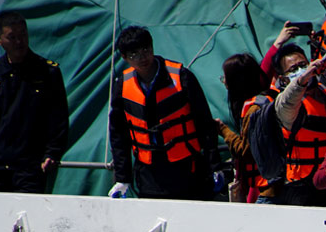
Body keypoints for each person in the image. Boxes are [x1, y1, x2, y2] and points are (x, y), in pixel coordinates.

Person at [108, 26, 221, 200]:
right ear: (124, 57)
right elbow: (118, 134)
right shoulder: (122, 85)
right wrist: (123, 178)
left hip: (188, 170)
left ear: (152, 47)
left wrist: (215, 166)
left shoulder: (182, 77)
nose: (142, 57)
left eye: (146, 49)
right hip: (148, 175)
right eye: (134, 54)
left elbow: (205, 123)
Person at [0, 10, 69, 193]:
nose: (19, 42)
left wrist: (52, 152)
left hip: (30, 167)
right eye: (12, 37)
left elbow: (59, 119)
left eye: (23, 35)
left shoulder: (47, 73)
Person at [271, 40, 326, 206]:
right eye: (293, 69)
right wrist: (301, 80)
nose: (301, 70)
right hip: (299, 186)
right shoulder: (287, 105)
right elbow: (287, 101)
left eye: (303, 65)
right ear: (283, 79)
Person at [216, 53, 276, 203]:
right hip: (269, 184)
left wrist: (223, 130)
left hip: (269, 189)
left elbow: (246, 151)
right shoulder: (268, 99)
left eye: (226, 78)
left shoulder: (254, 109)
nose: (224, 82)